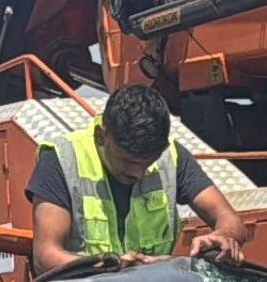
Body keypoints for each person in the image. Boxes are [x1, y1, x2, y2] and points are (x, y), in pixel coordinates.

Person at [27, 83, 247, 272]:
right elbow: (45, 256)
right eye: (128, 161)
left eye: (148, 161)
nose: (137, 173)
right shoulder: (61, 160)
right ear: (102, 136)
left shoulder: (173, 157)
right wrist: (113, 268)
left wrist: (222, 237)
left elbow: (232, 222)